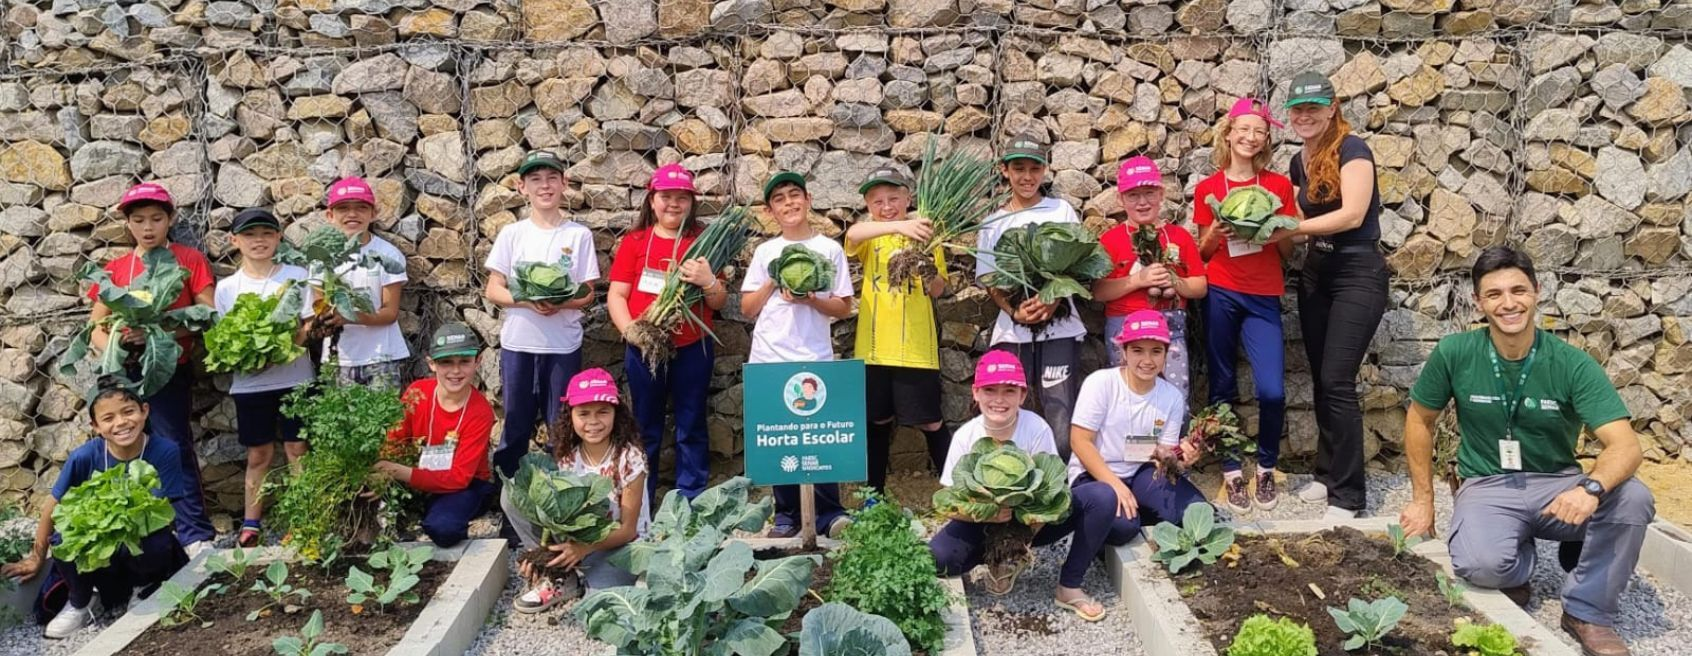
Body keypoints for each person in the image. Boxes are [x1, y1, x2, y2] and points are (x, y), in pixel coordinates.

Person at [1398, 247, 1654, 656]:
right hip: (1489, 482)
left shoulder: (1572, 363)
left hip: (1559, 484)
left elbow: (1625, 444)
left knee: (1633, 497)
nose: (1508, 303)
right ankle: (1516, 558)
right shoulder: (1455, 353)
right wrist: (1422, 500)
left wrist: (1589, 488)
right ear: (1478, 303)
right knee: (1481, 567)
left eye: (1518, 290)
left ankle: (1587, 610)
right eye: (1494, 294)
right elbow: (1419, 420)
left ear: (1537, 292)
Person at [1278, 72, 1392, 520]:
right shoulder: (1297, 161)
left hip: (1358, 271)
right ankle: (1327, 475)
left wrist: (1292, 229)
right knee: (1324, 378)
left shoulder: (1353, 149)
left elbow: (1352, 214)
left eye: (1314, 108)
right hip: (1317, 272)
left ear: (1332, 108)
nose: (1305, 116)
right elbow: (1294, 214)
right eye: (1298, 109)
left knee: (1340, 381)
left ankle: (1349, 497)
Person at [2, 380, 191, 638]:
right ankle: (82, 600)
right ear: (96, 427)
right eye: (108, 418)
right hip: (100, 552)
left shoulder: (164, 451)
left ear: (144, 411)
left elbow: (160, 511)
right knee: (64, 539)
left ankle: (143, 588)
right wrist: (37, 556)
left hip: (139, 543)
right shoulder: (84, 457)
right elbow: (52, 507)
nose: (121, 423)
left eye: (128, 412)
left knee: (156, 539)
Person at [84, 182, 216, 550]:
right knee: (123, 449)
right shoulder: (116, 269)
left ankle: (195, 534)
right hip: (124, 374)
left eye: (157, 219)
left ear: (170, 219)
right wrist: (114, 347)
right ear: (128, 224)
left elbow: (206, 312)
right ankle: (143, 535)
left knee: (173, 444)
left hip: (168, 367)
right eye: (139, 219)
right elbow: (95, 327)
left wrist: (159, 335)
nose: (148, 227)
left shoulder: (189, 260)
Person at [1063, 310, 1209, 620]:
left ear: (1167, 354)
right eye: (1138, 350)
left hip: (1142, 470)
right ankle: (1105, 520)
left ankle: (1130, 508)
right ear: (1123, 351)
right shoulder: (1101, 384)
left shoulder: (1170, 396)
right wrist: (1115, 486)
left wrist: (1183, 458)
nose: (1147, 360)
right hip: (1095, 474)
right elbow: (1080, 442)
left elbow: (1163, 456)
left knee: (1196, 511)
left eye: (1156, 351)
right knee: (1123, 529)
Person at [1192, 97, 1300, 515]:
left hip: (1263, 295)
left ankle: (1267, 465)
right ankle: (1232, 470)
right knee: (1222, 386)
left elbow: (1289, 252)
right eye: (1244, 130)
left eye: (1259, 131)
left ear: (1266, 139)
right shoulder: (1208, 189)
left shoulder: (1276, 187)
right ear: (1229, 133)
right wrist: (1217, 234)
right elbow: (1201, 254)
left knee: (1271, 390)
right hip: (1221, 291)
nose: (1250, 138)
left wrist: (1276, 233)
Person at [741, 171, 855, 539]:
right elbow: (747, 307)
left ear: (807, 200)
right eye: (780, 199)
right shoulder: (765, 253)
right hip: (771, 356)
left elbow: (842, 307)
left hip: (815, 355)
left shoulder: (829, 249)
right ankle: (786, 514)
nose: (789, 203)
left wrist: (811, 299)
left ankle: (830, 512)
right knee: (781, 438)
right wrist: (775, 278)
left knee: (820, 436)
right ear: (771, 211)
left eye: (795, 195)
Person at [606, 163, 724, 501]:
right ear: (652, 200)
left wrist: (708, 281)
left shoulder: (704, 242)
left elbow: (717, 302)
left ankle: (690, 497)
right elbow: (617, 294)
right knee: (645, 425)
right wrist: (631, 332)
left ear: (691, 202)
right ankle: (639, 500)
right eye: (666, 196)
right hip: (644, 346)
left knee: (691, 421)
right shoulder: (636, 241)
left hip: (693, 346)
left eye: (681, 198)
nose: (673, 204)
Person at [484, 151, 600, 484]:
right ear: (522, 187)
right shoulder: (512, 234)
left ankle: (560, 500)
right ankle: (510, 502)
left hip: (562, 346)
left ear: (564, 184)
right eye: (535, 179)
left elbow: (587, 293)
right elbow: (494, 289)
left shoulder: (578, 236)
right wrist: (526, 300)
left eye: (551, 178)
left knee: (561, 426)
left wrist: (560, 303)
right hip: (518, 345)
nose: (544, 186)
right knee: (515, 425)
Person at [927, 351, 1076, 609]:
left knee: (1091, 499)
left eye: (1009, 391)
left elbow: (1052, 487)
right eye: (990, 390)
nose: (999, 399)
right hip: (981, 517)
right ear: (975, 393)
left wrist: (1021, 532)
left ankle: (1012, 556)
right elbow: (948, 501)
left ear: (1023, 395)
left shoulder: (1036, 428)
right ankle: (990, 555)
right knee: (937, 559)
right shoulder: (966, 435)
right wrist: (989, 515)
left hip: (1027, 517)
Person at [975, 135, 1088, 461]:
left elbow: (1079, 263)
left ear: (1045, 170)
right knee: (1009, 406)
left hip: (1060, 327)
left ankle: (1059, 479)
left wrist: (1053, 300)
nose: (1027, 176)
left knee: (1059, 407)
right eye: (1018, 168)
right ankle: (1015, 475)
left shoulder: (1061, 210)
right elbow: (988, 278)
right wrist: (1013, 311)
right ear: (1004, 171)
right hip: (1013, 331)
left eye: (1034, 168)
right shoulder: (992, 220)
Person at [844, 167, 952, 493]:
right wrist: (900, 225)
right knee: (876, 421)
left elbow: (938, 289)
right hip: (874, 348)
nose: (886, 205)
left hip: (916, 347)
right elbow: (851, 236)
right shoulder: (870, 237)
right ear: (867, 204)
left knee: (930, 420)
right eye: (877, 201)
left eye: (894, 198)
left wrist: (926, 268)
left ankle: (956, 493)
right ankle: (873, 497)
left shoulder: (927, 235)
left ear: (908, 198)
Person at [504, 368, 648, 613]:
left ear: (617, 413)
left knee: (601, 609)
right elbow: (557, 518)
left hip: (621, 546)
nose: (593, 422)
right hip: (578, 541)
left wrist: (583, 549)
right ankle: (560, 576)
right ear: (570, 416)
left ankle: (617, 575)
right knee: (511, 496)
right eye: (583, 413)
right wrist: (539, 555)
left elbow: (627, 530)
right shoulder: (568, 459)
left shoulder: (630, 459)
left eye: (603, 412)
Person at [214, 208, 316, 548]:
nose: (258, 240)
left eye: (266, 234)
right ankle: (251, 521)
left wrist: (281, 351)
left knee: (297, 448)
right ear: (235, 241)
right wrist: (253, 361)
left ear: (278, 238)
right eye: (249, 235)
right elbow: (225, 338)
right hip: (251, 383)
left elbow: (307, 324)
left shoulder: (296, 276)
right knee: (258, 454)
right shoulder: (227, 288)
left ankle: (305, 517)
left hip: (295, 377)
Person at [374, 323, 496, 549]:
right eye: (446, 362)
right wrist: (382, 474)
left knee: (444, 529)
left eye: (464, 362)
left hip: (464, 485)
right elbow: (394, 442)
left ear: (477, 362)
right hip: (418, 474)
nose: (456, 371)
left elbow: (459, 477)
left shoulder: (480, 412)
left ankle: (435, 513)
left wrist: (398, 471)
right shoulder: (417, 392)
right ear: (431, 363)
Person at [1093, 156, 1207, 394]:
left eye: (1149, 193)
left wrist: (1174, 281)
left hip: (1170, 326)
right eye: (1133, 195)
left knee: (1175, 392)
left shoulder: (1179, 236)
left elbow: (1200, 287)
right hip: (1123, 326)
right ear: (1120, 199)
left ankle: (1172, 432)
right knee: (1127, 395)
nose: (1142, 202)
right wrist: (1139, 280)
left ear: (1161, 194)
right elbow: (1099, 292)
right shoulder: (1110, 240)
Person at [324, 176, 410, 389]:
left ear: (373, 214)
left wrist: (348, 316)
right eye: (343, 208)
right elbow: (319, 307)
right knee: (338, 421)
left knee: (384, 422)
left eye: (361, 208)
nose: (352, 214)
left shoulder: (388, 255)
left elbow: (390, 313)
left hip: (382, 356)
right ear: (330, 215)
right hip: (338, 358)